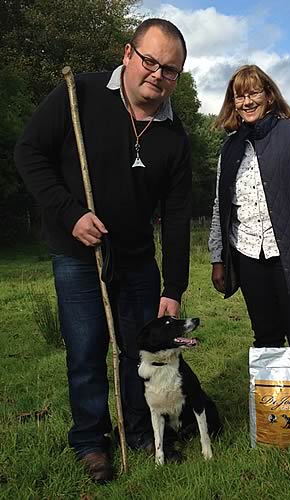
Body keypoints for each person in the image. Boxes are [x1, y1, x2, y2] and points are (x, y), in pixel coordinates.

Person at [15, 18, 191, 482]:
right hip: (79, 257)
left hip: (137, 261)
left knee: (145, 353)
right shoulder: (82, 95)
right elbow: (29, 152)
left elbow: (176, 218)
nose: (157, 74)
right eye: (150, 61)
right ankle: (91, 442)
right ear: (128, 54)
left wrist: (173, 287)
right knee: (87, 348)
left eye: (170, 70)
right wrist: (69, 213)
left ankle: (140, 432)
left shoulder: (174, 136)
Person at [208, 64, 290, 438]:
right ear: (233, 102)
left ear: (268, 95)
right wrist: (218, 257)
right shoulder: (229, 147)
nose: (246, 101)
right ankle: (277, 424)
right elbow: (221, 206)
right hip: (248, 254)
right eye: (239, 94)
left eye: (253, 93)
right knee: (265, 334)